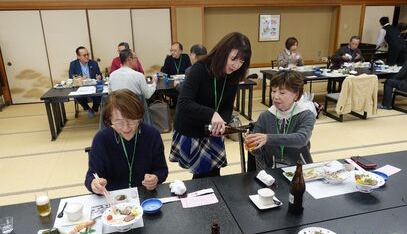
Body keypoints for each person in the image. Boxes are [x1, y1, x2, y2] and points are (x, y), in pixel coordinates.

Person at [169, 32, 252, 178]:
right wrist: (212, 114)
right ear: (223, 52)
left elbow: (227, 105)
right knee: (202, 174)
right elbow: (184, 102)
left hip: (212, 129)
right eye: (233, 59)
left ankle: (213, 199)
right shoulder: (200, 69)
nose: (236, 65)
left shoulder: (234, 75)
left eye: (241, 61)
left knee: (214, 172)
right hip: (192, 127)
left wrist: (222, 122)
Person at [84, 89, 168, 193]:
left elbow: (162, 169)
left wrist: (156, 178)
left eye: (132, 120)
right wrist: (94, 184)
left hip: (144, 195)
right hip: (113, 199)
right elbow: (91, 175)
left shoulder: (152, 135)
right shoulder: (102, 139)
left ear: (139, 116)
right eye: (118, 122)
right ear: (109, 119)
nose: (126, 128)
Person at [245, 70, 316, 168]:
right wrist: (252, 146)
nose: (275, 96)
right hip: (272, 169)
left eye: (282, 93)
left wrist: (268, 138)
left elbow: (302, 139)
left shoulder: (305, 114)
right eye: (273, 91)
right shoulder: (266, 116)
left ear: (296, 95)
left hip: (300, 168)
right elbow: (258, 153)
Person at [68, 46, 102, 118]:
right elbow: (71, 77)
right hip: (80, 86)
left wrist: (99, 77)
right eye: (84, 55)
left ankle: (94, 109)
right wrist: (79, 78)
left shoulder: (93, 63)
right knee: (78, 96)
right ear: (78, 56)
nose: (87, 56)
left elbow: (99, 74)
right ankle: (87, 108)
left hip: (93, 86)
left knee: (99, 94)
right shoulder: (73, 64)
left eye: (87, 54)